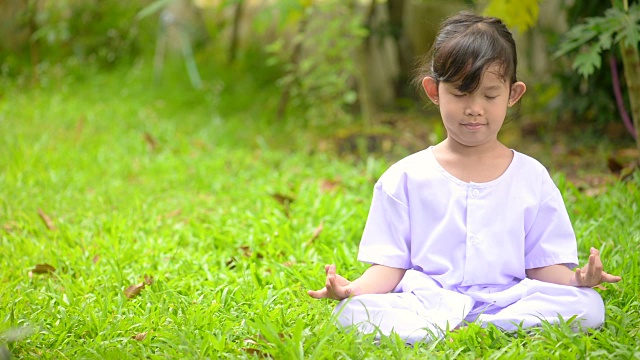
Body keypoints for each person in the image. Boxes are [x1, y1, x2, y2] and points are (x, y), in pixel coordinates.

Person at [307, 12, 622, 344]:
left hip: (509, 300)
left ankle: (475, 328)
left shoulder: (532, 177)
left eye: (489, 95)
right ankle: (453, 327)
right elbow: (389, 268)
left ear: (513, 94)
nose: (475, 108)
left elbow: (541, 267)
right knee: (351, 313)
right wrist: (350, 289)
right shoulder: (404, 177)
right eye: (460, 93)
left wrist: (578, 280)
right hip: (427, 301)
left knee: (589, 306)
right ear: (434, 91)